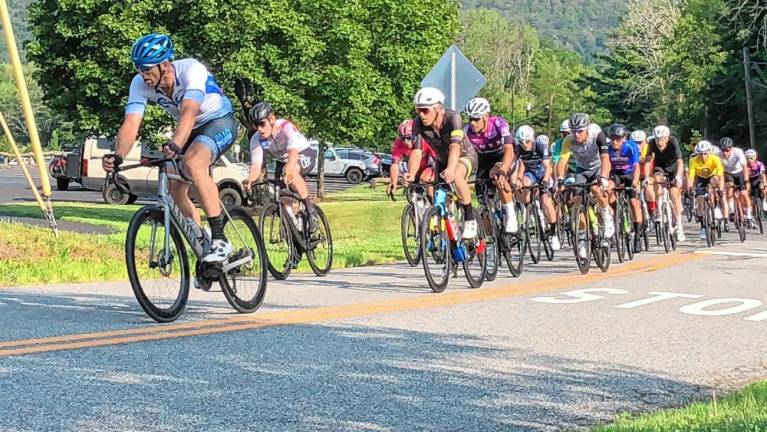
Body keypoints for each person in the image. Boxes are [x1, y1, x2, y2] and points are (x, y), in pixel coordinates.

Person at [103, 33, 238, 263]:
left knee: (194, 164)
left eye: (146, 69)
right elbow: (131, 123)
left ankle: (219, 239)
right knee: (176, 190)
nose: (141, 75)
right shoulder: (139, 83)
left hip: (217, 120)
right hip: (189, 128)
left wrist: (176, 143)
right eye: (137, 68)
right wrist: (118, 155)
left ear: (165, 64)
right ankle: (203, 243)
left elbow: (189, 111)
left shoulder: (191, 70)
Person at [405, 87, 479, 238]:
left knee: (457, 175)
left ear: (438, 108)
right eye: (418, 110)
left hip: (464, 156)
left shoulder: (453, 118)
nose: (421, 115)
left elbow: (455, 146)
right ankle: (450, 234)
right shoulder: (418, 123)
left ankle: (470, 218)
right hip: (442, 161)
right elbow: (417, 151)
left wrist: (451, 169)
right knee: (440, 200)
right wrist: (411, 174)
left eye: (425, 110)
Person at [244, 102, 319, 232]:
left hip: (303, 152)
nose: (259, 129)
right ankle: (295, 228)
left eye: (262, 124)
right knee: (282, 197)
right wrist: (250, 179)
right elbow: (256, 164)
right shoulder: (256, 139)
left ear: (272, 119)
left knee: (291, 172)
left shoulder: (285, 127)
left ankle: (310, 210)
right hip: (283, 160)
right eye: (256, 125)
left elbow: (293, 153)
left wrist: (289, 170)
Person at [556, 112, 612, 259]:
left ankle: (606, 215)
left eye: (580, 131)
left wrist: (604, 177)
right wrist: (560, 178)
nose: (576, 134)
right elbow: (562, 162)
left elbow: (605, 158)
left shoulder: (597, 134)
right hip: (582, 170)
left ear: (587, 129)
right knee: (577, 199)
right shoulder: (568, 140)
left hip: (598, 168)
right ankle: (582, 238)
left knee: (595, 188)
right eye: (573, 131)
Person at [463, 97, 518, 233]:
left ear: (486, 117)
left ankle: (511, 216)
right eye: (470, 119)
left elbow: (509, 150)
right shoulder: (466, 131)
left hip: (503, 157)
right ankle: (490, 238)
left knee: (497, 175)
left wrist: (504, 169)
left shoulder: (499, 124)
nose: (473, 123)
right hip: (483, 160)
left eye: (476, 119)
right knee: (482, 201)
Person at [514, 127, 559, 249]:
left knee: (546, 201)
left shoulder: (540, 146)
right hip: (531, 173)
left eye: (527, 141)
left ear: (532, 139)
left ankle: (554, 232)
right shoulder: (518, 149)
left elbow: (547, 166)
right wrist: (517, 180)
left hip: (543, 173)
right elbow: (517, 166)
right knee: (524, 184)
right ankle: (532, 210)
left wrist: (545, 181)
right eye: (521, 142)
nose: (524, 145)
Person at [643, 125, 685, 242]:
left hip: (674, 168)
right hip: (660, 168)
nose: (659, 143)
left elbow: (680, 161)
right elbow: (647, 161)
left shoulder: (673, 142)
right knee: (656, 179)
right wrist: (646, 177)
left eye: (662, 139)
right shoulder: (651, 143)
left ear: (667, 138)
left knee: (674, 193)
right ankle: (658, 206)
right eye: (657, 139)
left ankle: (679, 226)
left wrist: (679, 177)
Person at [607, 124, 643, 252]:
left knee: (634, 202)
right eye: (612, 139)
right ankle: (614, 213)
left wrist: (635, 181)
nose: (614, 142)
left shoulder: (630, 146)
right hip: (615, 174)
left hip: (629, 174)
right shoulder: (608, 148)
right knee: (608, 189)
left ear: (623, 139)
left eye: (617, 139)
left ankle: (637, 237)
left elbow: (636, 166)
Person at [386, 119, 437, 195]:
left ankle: (434, 203)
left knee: (425, 179)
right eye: (403, 138)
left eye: (409, 138)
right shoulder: (398, 143)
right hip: (414, 169)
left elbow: (436, 158)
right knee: (410, 185)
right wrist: (393, 182)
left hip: (429, 166)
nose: (406, 141)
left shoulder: (425, 140)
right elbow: (394, 165)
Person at [687, 140, 724, 239]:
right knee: (700, 201)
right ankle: (703, 226)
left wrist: (720, 188)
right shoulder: (693, 160)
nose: (703, 156)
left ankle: (716, 207)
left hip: (712, 176)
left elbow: (720, 175)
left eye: (705, 153)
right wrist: (690, 187)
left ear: (709, 152)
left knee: (714, 183)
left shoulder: (715, 159)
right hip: (701, 179)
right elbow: (691, 176)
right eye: (700, 154)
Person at [719, 137, 752, 224]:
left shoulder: (738, 152)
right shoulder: (719, 155)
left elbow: (745, 167)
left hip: (739, 172)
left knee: (744, 194)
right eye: (723, 150)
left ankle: (749, 216)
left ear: (731, 148)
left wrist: (746, 181)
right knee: (729, 192)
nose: (725, 152)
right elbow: (719, 171)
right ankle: (732, 212)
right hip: (727, 173)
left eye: (727, 150)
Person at [746, 149, 767, 215]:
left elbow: (763, 175)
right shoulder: (744, 165)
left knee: (763, 187)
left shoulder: (759, 164)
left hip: (758, 179)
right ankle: (751, 211)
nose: (749, 160)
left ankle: (764, 200)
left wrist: (765, 185)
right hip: (749, 181)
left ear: (755, 158)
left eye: (751, 158)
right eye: (747, 158)